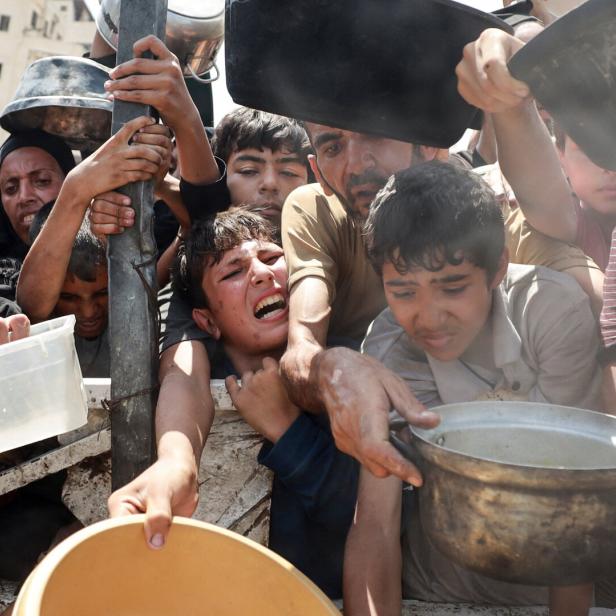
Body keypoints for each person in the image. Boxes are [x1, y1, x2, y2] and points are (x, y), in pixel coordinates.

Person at [344, 160, 600, 616]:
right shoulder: (387, 352)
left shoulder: (551, 312)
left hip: (562, 584)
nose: (430, 317)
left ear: (498, 267)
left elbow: (572, 497)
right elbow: (376, 523)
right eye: (404, 292)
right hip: (442, 588)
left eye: (453, 287)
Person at [110, 211, 358, 598]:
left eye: (273, 258)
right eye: (233, 272)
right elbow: (183, 379)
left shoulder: (346, 364)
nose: (262, 273)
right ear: (206, 322)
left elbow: (368, 518)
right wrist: (176, 463)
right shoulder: (197, 376)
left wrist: (288, 430)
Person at [15, 116, 169, 377]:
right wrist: (78, 187)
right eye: (69, 297)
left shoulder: (139, 294)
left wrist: (158, 182)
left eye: (102, 293)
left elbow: (189, 231)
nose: (88, 312)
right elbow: (31, 306)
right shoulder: (38, 325)